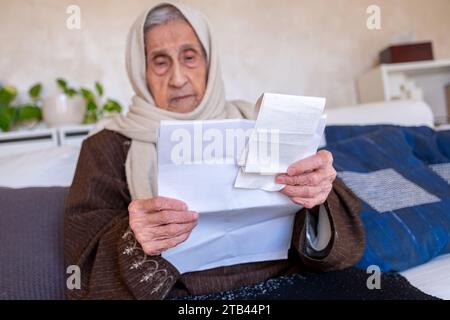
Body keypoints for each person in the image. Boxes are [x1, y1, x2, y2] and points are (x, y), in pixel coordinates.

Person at [64, 2, 364, 300]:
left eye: (190, 57)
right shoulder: (107, 145)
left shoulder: (259, 123)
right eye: (160, 61)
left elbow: (342, 249)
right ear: (141, 71)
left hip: (287, 285)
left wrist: (318, 193)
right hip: (182, 297)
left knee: (392, 292)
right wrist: (135, 237)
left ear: (210, 61)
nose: (178, 78)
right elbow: (81, 271)